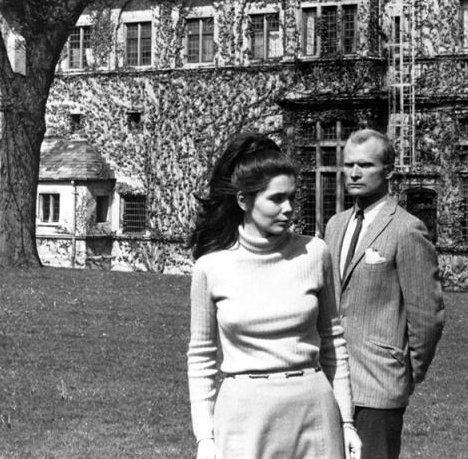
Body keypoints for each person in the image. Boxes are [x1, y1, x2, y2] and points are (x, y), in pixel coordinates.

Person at [186, 131, 362, 459]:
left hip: (314, 411)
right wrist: (205, 438)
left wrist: (347, 422)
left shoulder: (315, 253)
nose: (288, 209)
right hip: (243, 417)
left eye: (292, 198)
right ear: (244, 200)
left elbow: (334, 343)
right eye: (276, 199)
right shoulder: (211, 268)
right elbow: (201, 359)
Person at [324, 129, 445, 459]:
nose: (354, 173)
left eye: (365, 165)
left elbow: (427, 316)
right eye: (348, 165)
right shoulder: (335, 225)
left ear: (389, 171)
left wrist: (406, 374)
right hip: (330, 382)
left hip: (378, 385)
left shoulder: (406, 229)